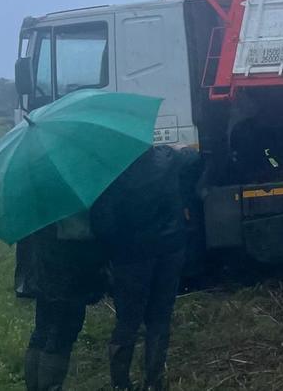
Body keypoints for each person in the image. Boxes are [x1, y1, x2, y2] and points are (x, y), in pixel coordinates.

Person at [91, 144, 201, 391]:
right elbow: (193, 158)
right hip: (170, 248)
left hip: (130, 256)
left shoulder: (109, 171)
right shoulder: (167, 157)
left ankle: (121, 384)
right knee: (160, 317)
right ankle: (154, 383)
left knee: (127, 320)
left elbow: (103, 221)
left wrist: (107, 251)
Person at [16, 213, 106, 391]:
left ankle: (34, 386)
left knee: (42, 330)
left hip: (43, 264)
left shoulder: (39, 192)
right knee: (62, 334)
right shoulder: (72, 201)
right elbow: (81, 232)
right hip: (70, 268)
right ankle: (51, 386)